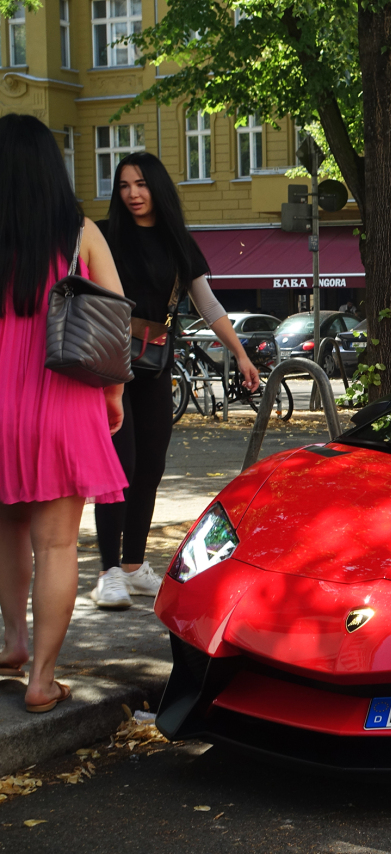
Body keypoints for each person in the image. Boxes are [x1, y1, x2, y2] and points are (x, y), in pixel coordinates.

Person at [91, 153, 261, 612]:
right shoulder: (104, 236)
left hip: (155, 363)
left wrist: (241, 353)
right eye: (124, 185)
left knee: (150, 465)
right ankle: (107, 573)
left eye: (141, 184)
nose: (132, 194)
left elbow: (208, 305)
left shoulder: (178, 243)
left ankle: (132, 566)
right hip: (111, 363)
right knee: (118, 469)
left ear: (158, 188)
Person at [0, 114, 130, 712]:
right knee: (56, 546)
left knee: (7, 531)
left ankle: (14, 643)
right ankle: (42, 680)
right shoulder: (80, 233)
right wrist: (114, 395)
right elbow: (114, 316)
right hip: (62, 403)